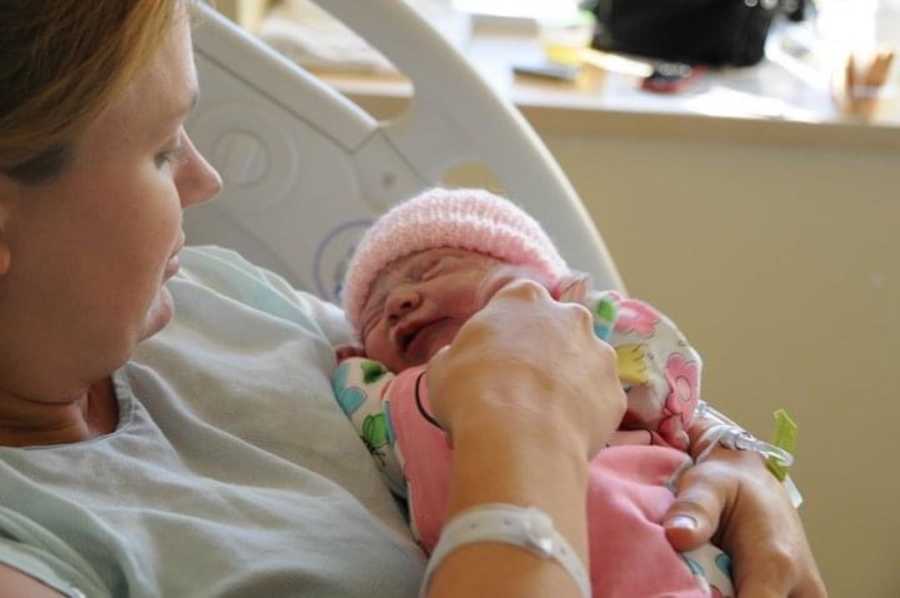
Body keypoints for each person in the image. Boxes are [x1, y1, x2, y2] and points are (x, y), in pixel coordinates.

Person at [0, 1, 826, 597]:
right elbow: (513, 386)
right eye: (158, 150)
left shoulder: (223, 297)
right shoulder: (31, 549)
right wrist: (524, 426)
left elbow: (544, 370)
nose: (204, 179)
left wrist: (732, 461)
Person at [334, 187, 740, 596]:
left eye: (431, 270)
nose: (399, 301)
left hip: (664, 555)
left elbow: (665, 374)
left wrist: (559, 303)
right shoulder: (395, 398)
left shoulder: (589, 340)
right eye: (375, 315)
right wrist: (353, 367)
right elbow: (365, 423)